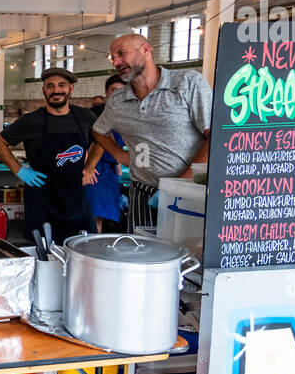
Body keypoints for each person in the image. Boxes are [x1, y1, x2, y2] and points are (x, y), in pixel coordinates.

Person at [89, 33, 211, 230]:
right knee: (140, 253)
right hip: (142, 192)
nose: (117, 62)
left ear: (146, 49)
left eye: (121, 54)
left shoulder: (187, 83)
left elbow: (214, 136)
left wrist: (180, 183)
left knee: (185, 252)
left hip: (188, 191)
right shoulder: (118, 100)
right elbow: (98, 131)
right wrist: (120, 155)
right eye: (113, 58)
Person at [0, 67, 102, 243]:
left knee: (83, 252)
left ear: (71, 89)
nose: (56, 90)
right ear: (44, 90)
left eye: (61, 85)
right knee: (44, 256)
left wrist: (90, 167)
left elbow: (103, 140)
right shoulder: (31, 121)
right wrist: (19, 170)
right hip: (42, 201)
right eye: (50, 86)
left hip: (76, 201)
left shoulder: (85, 116)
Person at [83, 75, 126, 232]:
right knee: (93, 214)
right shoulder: (96, 112)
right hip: (96, 168)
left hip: (110, 171)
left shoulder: (127, 115)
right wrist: (88, 166)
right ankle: (88, 248)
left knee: (101, 216)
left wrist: (119, 167)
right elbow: (84, 140)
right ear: (107, 92)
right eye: (113, 90)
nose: (116, 94)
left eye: (121, 91)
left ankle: (94, 246)